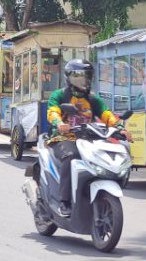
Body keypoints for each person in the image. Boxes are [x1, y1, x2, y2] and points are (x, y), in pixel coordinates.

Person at [46, 59, 128, 217]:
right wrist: (59, 122)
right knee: (71, 158)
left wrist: (119, 128)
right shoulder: (60, 95)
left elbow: (107, 114)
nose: (85, 81)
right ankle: (65, 202)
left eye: (87, 76)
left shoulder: (93, 99)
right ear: (69, 78)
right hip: (64, 139)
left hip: (89, 141)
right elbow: (53, 111)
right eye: (80, 77)